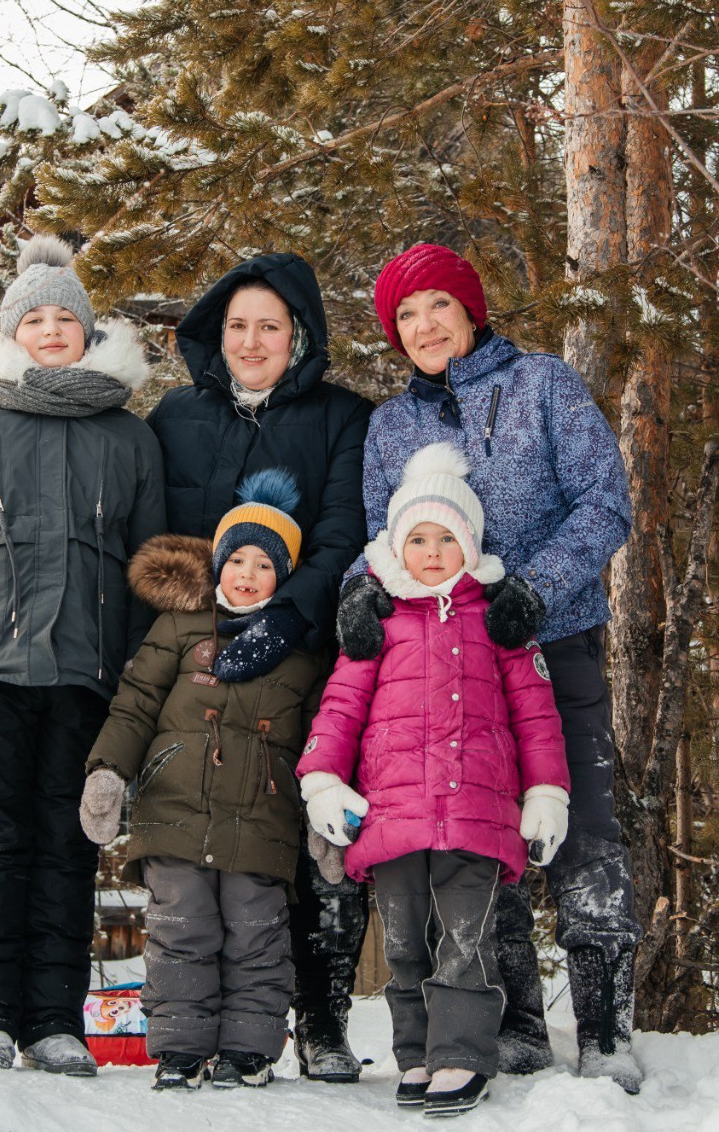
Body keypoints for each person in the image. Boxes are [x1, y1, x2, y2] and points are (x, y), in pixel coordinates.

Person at [336, 243, 642, 1094]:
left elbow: (602, 499)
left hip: (554, 640)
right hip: (442, 657)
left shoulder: (542, 384)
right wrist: (359, 592)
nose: (423, 326)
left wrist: (536, 588)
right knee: (477, 835)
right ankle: (513, 1027)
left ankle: (607, 1029)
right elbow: (376, 537)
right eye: (405, 316)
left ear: (471, 311)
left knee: (580, 829)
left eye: (437, 305)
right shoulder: (391, 426)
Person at [0, 236, 165, 1076]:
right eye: (35, 319)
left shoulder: (127, 437)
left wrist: (137, 689)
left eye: (66, 319)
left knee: (68, 842)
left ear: (88, 333)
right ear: (12, 334)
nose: (51, 331)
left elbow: (149, 565)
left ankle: (53, 1021)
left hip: (86, 676)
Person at [147, 254, 373, 1080]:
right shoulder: (173, 417)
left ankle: (319, 1015)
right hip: (195, 662)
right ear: (215, 334)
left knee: (308, 833)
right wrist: (185, 635)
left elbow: (348, 529)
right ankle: (192, 1027)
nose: (251, 341)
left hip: (303, 658)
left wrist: (286, 618)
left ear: (297, 337)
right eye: (236, 325)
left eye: (269, 326)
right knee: (198, 840)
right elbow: (153, 534)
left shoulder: (343, 417)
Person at [298, 443, 570, 1117]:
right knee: (401, 943)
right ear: (394, 547)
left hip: (477, 814)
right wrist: (322, 779)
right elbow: (338, 708)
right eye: (415, 538)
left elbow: (537, 716)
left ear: (469, 545)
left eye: (445, 537)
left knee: (464, 941)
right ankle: (416, 1053)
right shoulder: (375, 623)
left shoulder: (500, 624)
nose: (430, 550)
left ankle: (460, 1056)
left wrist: (545, 792)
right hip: (392, 815)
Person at [79, 472, 331, 1091]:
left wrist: (327, 809)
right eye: (237, 558)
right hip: (175, 812)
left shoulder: (302, 654)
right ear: (217, 564)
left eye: (265, 564)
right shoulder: (178, 627)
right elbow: (135, 704)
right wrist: (108, 771)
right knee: (181, 930)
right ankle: (181, 1049)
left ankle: (249, 1051)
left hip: (261, 818)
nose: (247, 573)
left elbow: (324, 736)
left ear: (285, 577)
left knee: (255, 934)